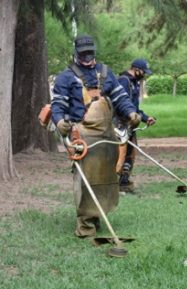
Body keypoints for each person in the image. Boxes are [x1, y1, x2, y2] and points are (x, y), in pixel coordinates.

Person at [51, 34, 141, 238]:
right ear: (76, 53)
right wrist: (59, 122)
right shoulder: (65, 77)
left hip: (107, 133)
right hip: (82, 134)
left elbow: (121, 98)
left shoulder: (106, 73)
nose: (87, 57)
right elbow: (58, 105)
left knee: (107, 177)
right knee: (86, 179)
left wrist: (131, 113)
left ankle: (99, 214)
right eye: (83, 54)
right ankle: (85, 224)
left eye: (90, 53)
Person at [116, 58, 157, 193]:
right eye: (143, 72)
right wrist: (129, 117)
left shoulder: (135, 83)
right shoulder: (124, 81)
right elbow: (121, 104)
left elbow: (135, 108)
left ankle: (124, 183)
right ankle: (111, 184)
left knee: (131, 154)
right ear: (135, 69)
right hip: (120, 124)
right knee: (120, 156)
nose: (144, 75)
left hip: (131, 124)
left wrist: (146, 118)